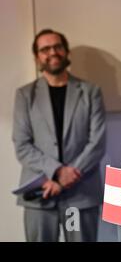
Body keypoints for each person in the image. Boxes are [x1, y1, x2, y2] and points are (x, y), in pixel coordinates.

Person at [12, 29, 106, 242]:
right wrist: (56, 172)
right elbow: (22, 145)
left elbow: (97, 143)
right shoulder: (25, 95)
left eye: (57, 47)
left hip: (81, 195)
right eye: (45, 49)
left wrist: (64, 180)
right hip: (40, 193)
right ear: (38, 57)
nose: (52, 52)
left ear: (66, 51)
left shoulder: (90, 92)